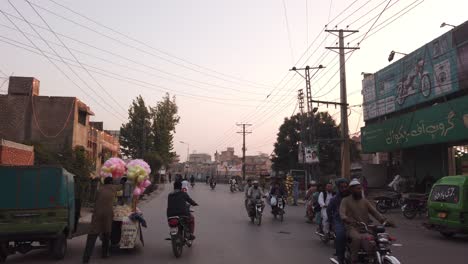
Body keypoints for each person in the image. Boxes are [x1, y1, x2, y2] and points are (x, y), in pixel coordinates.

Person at [339, 179, 392, 264]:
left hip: (365, 228)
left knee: (373, 241)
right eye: (358, 189)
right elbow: (342, 212)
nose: (360, 190)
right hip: (352, 227)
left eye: (360, 188)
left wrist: (383, 220)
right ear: (352, 190)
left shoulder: (365, 201)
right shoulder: (345, 200)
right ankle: (354, 260)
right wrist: (345, 218)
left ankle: (372, 258)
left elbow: (374, 212)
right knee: (357, 238)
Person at [83, 177, 118, 263]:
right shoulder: (114, 188)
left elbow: (93, 200)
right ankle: (104, 254)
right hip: (108, 215)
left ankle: (86, 259)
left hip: (97, 214)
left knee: (92, 236)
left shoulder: (99, 189)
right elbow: (121, 187)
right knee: (106, 234)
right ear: (111, 182)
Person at [327, 178, 350, 264]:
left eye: (345, 187)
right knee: (340, 236)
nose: (344, 189)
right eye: (342, 187)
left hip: (353, 221)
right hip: (339, 221)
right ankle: (341, 259)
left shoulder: (352, 197)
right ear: (338, 188)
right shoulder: (334, 199)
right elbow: (328, 211)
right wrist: (331, 222)